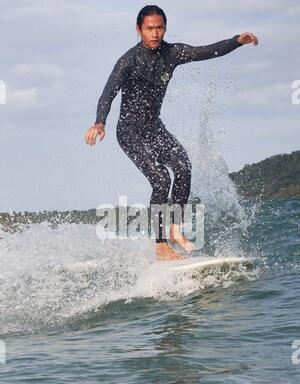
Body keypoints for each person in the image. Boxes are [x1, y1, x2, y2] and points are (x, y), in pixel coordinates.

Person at [85, 5, 258, 260]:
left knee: (184, 166)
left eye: (159, 28)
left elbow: (207, 51)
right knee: (161, 180)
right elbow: (108, 92)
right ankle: (161, 245)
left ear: (165, 28)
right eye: (149, 28)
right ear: (138, 29)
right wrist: (100, 122)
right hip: (130, 132)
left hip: (154, 128)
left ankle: (176, 228)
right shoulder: (128, 61)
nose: (155, 33)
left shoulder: (173, 53)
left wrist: (237, 41)